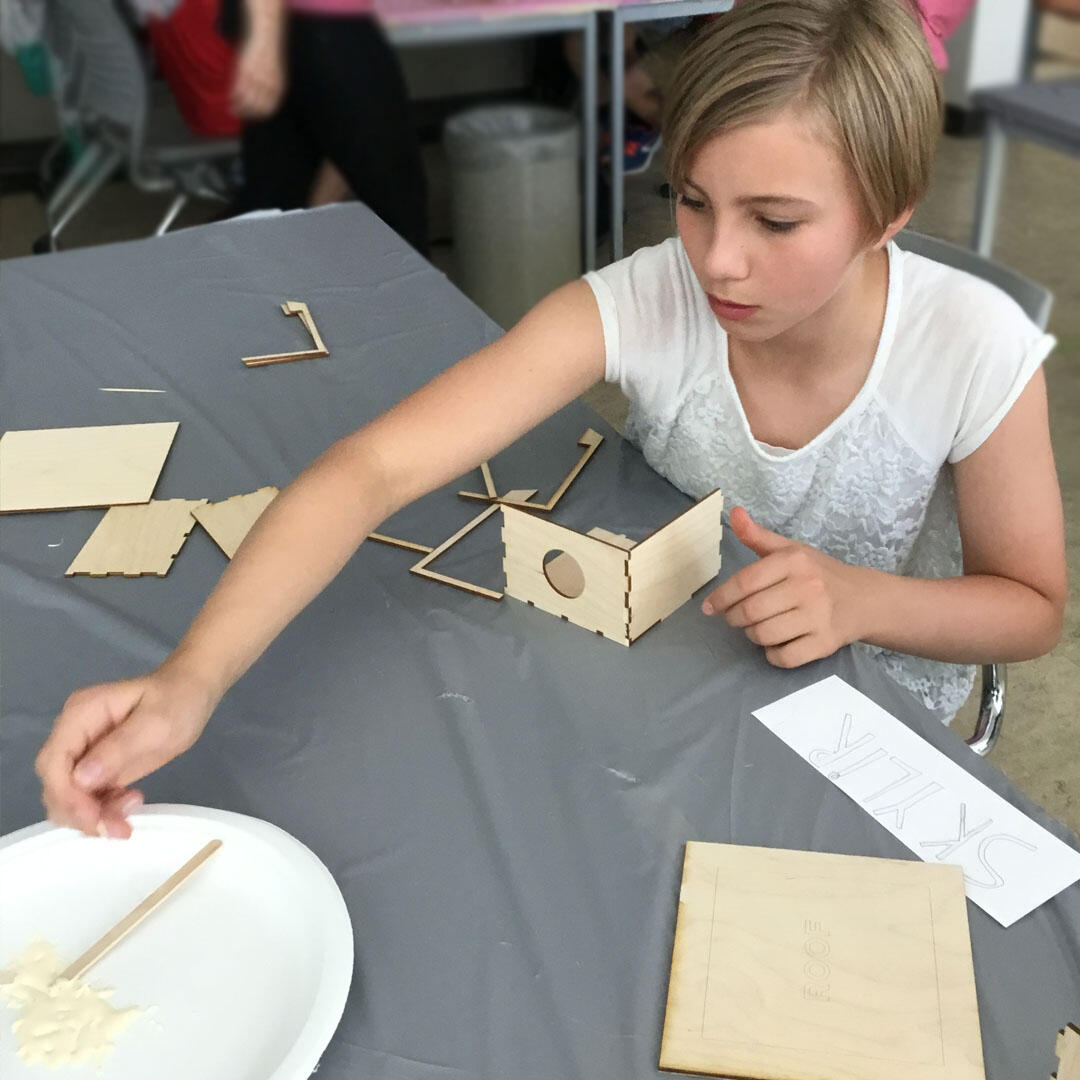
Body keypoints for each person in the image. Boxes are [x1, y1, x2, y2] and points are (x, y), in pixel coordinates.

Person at [36, 0, 1065, 839]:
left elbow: (1031, 606)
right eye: (691, 199)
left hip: (873, 724)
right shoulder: (654, 296)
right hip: (673, 667)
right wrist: (190, 678)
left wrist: (857, 600)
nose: (717, 260)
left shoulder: (974, 346)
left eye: (776, 220)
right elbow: (372, 470)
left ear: (891, 211)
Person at [227, 0, 428, 252]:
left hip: (316, 25)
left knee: (277, 201)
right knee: (396, 204)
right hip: (313, 23)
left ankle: (298, 244)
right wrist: (264, 41)